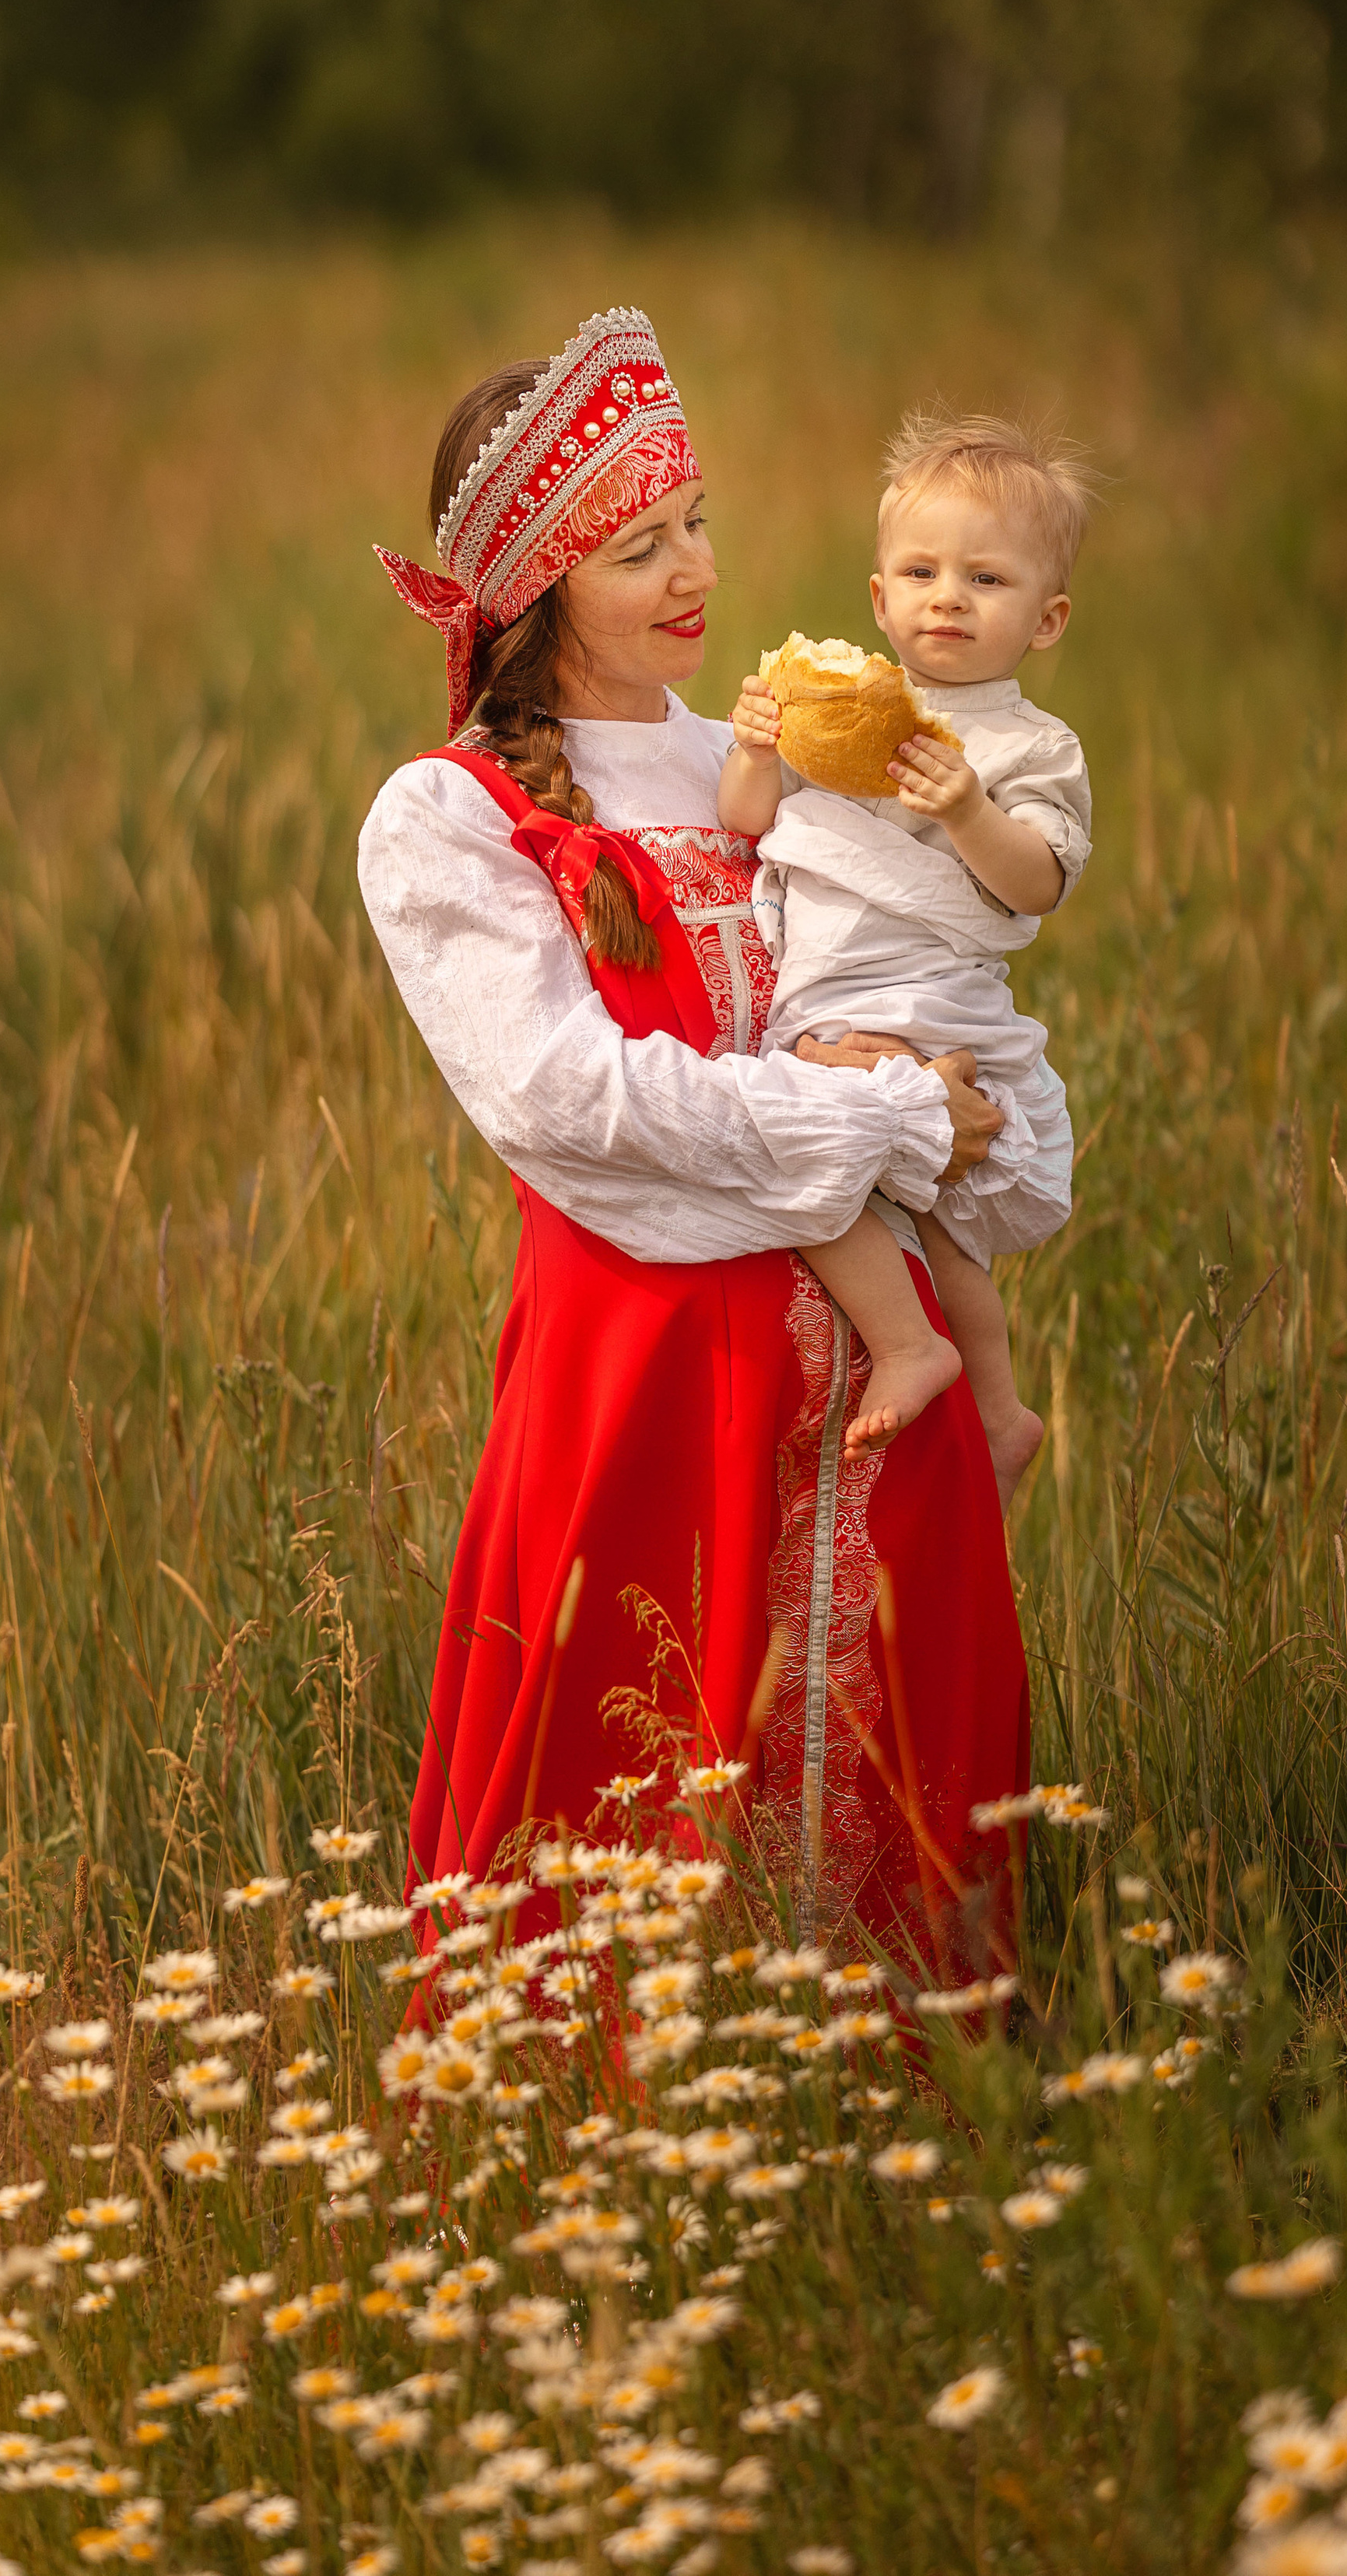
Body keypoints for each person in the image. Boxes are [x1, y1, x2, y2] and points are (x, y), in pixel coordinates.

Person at [357, 309, 1030, 1971]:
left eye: (694, 525)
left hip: (883, 1376)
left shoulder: (778, 747)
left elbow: (918, 956)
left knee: (897, 1790)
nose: (690, 573)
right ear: (529, 585)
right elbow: (574, 1103)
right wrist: (876, 1110)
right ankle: (624, 2181)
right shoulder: (452, 815)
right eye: (633, 547)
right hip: (647, 1372)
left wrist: (967, 1101)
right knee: (643, 1802)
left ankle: (907, 2180)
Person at [717, 412, 1090, 1508]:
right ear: (879, 598)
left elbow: (1038, 883)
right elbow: (748, 822)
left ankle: (968, 1376)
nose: (949, 597)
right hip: (825, 993)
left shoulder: (1032, 747)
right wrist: (753, 745)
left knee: (925, 1199)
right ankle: (982, 1397)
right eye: (922, 572)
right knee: (850, 1182)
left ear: (1046, 616)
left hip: (937, 1003)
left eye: (986, 578)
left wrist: (971, 808)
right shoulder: (838, 710)